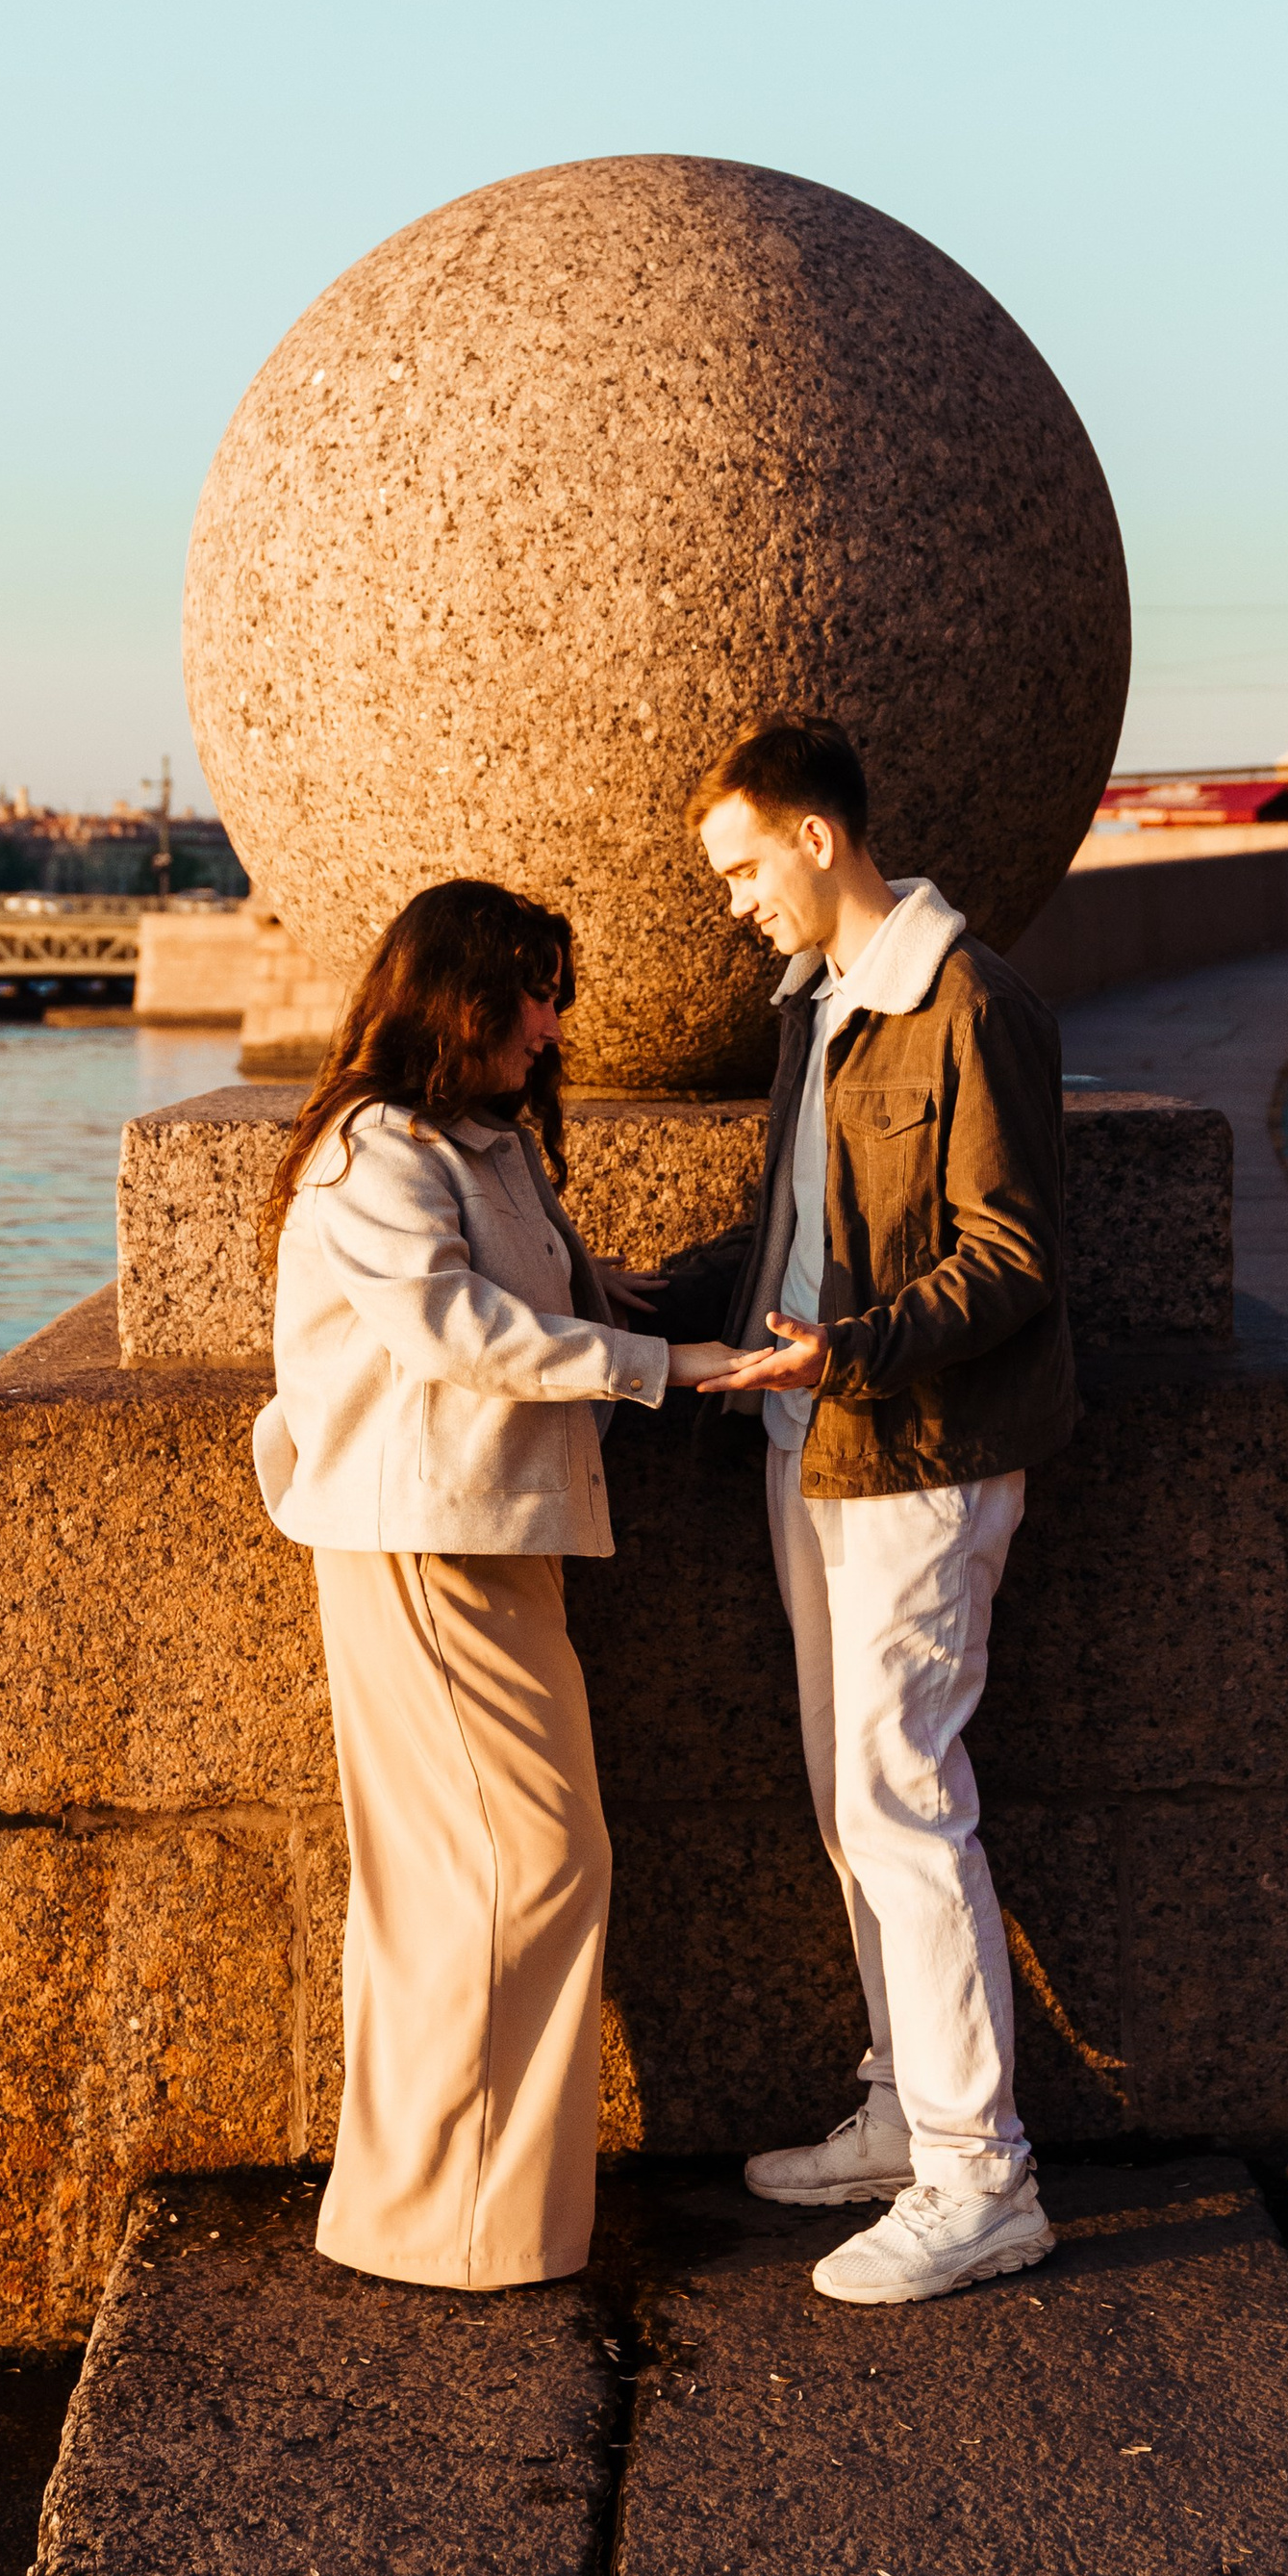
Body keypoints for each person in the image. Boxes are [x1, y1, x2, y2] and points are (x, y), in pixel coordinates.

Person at [254, 877, 741, 2291]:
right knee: (522, 1864)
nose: (551, 1022)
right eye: (531, 991)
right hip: (422, 1544)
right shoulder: (374, 1148)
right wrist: (664, 1368)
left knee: (468, 1873)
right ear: (454, 996)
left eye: (554, 992)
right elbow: (453, 1329)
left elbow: (520, 1288)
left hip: (489, 1533)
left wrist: (617, 1292)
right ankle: (451, 2227)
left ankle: (437, 2215)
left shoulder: (480, 1139)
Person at [667, 716, 1075, 2306]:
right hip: (805, 1436)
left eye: (741, 867)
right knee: (854, 1805)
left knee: (905, 1797)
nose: (735, 902)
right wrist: (661, 1296)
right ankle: (906, 2107)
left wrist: (855, 1350)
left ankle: (983, 2177)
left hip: (920, 1451)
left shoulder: (969, 1002)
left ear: (818, 838)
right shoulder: (820, 1002)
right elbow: (796, 1231)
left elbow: (1014, 1256)